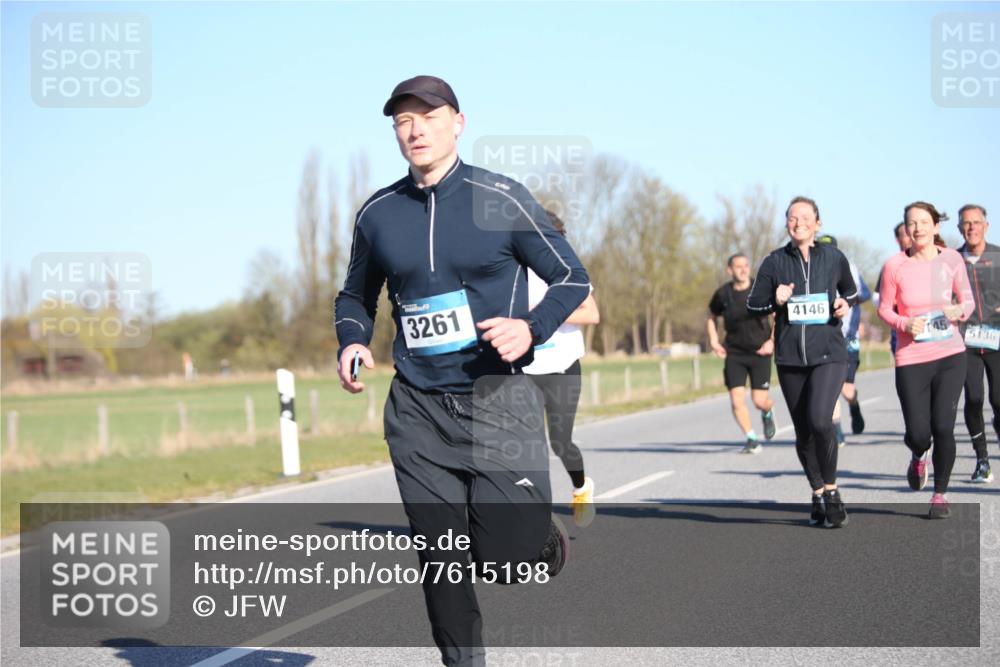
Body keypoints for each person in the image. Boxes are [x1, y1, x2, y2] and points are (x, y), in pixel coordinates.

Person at [334, 75, 590, 666]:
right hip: (418, 409)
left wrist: (531, 327)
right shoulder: (378, 213)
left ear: (459, 122)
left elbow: (573, 278)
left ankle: (539, 541)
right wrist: (352, 340)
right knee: (441, 557)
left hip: (498, 398)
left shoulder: (502, 197)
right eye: (403, 120)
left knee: (509, 557)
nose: (415, 128)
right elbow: (354, 296)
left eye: (428, 114)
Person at [747, 196, 858, 528]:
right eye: (792, 218)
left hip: (829, 354)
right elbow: (753, 304)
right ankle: (817, 490)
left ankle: (833, 490)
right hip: (791, 357)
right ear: (787, 224)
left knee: (821, 420)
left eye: (805, 217)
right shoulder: (774, 262)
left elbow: (851, 293)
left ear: (818, 223)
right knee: (804, 431)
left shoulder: (834, 257)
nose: (799, 222)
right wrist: (774, 299)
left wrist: (842, 304)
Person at [877, 201, 974, 519]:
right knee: (919, 432)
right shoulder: (894, 266)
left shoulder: (951, 259)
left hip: (949, 353)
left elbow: (968, 301)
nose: (916, 228)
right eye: (911, 223)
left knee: (944, 425)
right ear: (906, 229)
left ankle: (940, 494)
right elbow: (884, 309)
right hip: (911, 357)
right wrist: (904, 324)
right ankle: (919, 454)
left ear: (936, 227)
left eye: (923, 222)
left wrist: (959, 311)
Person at [522, 210, 600, 527]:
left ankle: (581, 488)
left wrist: (547, 314)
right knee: (526, 441)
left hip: (563, 366)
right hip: (525, 368)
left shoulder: (567, 271)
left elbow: (592, 314)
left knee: (559, 441)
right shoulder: (515, 272)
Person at [707, 252, 776, 454]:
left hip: (760, 351)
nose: (744, 269)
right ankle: (751, 438)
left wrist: (772, 341)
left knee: (759, 400)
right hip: (734, 353)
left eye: (746, 265)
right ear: (730, 270)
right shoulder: (722, 294)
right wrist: (713, 341)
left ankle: (767, 411)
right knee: (737, 400)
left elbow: (777, 316)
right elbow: (711, 316)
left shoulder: (761, 290)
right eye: (739, 266)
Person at [816, 235, 872, 445]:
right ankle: (836, 428)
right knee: (830, 385)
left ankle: (854, 406)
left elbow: (864, 294)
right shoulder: (811, 269)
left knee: (846, 390)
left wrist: (847, 299)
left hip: (848, 337)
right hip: (823, 336)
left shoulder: (850, 268)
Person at [956, 203, 997, 483]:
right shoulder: (951, 260)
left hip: (997, 339)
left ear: (986, 225)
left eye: (976, 222)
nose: (971, 228)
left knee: (999, 400)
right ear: (960, 228)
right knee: (973, 399)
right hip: (966, 341)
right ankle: (982, 459)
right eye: (966, 224)